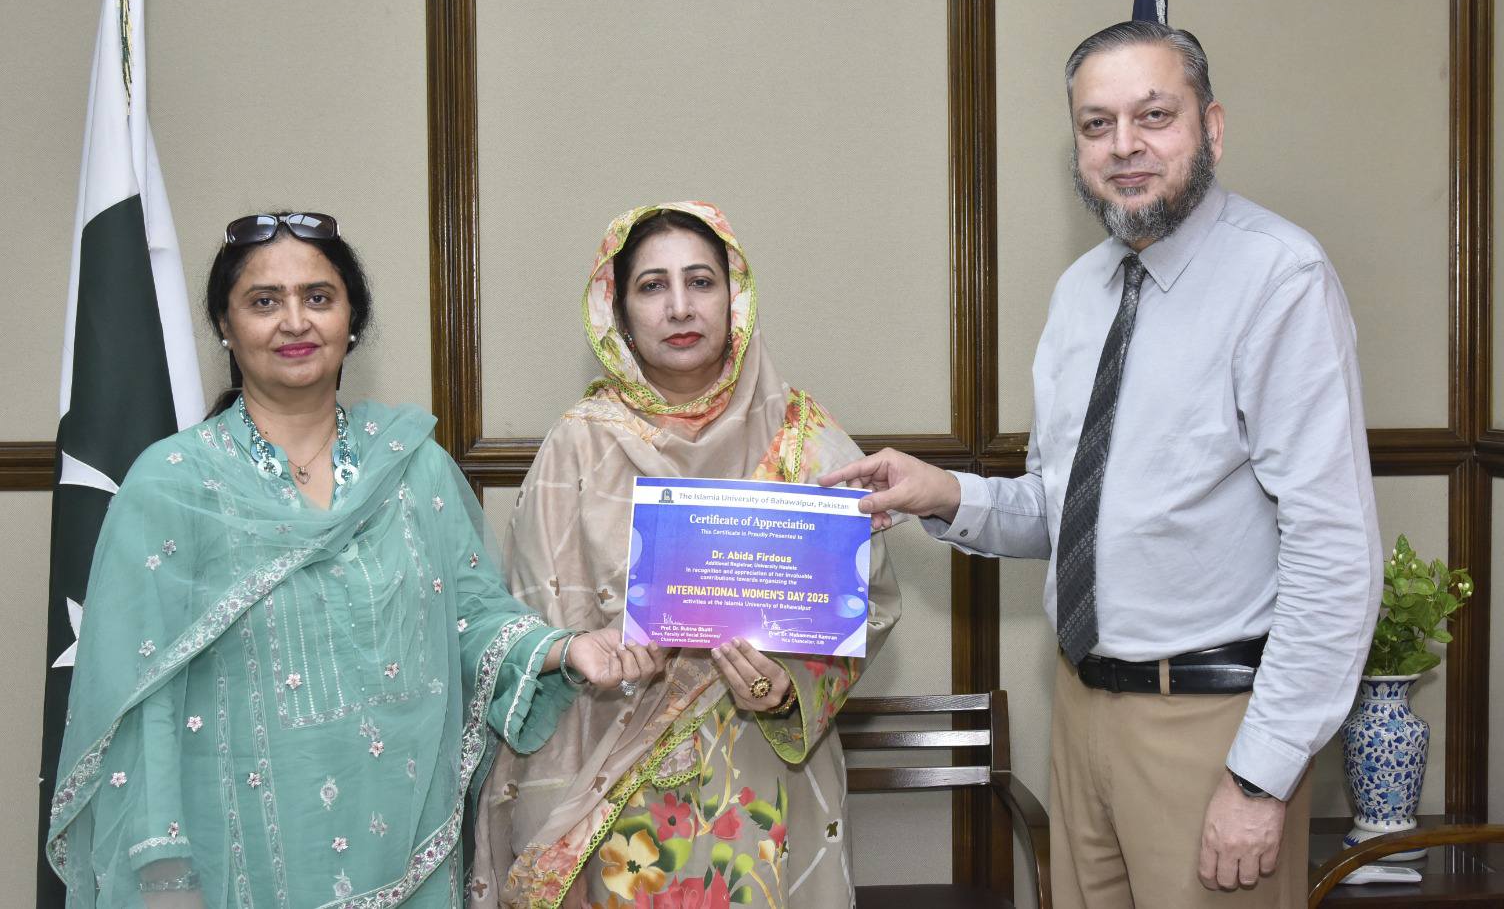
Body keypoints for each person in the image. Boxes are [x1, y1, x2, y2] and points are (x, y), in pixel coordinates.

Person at [821, 21, 1383, 908]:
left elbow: (1334, 552)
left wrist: (1261, 778)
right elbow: (1072, 512)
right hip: (1080, 712)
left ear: (1212, 127)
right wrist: (945, 494)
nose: (1124, 146)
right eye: (1096, 124)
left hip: (1214, 729)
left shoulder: (1281, 280)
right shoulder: (1082, 293)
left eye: (1154, 115)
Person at [46, 211, 658, 907]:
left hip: (403, 847)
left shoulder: (410, 467)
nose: (295, 321)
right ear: (224, 325)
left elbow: (470, 617)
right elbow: (138, 702)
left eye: (318, 297)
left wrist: (567, 649)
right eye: (264, 301)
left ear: (351, 319)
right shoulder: (174, 484)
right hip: (236, 863)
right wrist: (162, 864)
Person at [470, 202, 900, 908]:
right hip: (609, 778)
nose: (679, 307)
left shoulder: (801, 435)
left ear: (735, 298)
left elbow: (870, 601)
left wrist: (788, 686)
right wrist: (584, 651)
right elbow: (526, 619)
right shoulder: (578, 444)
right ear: (618, 309)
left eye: (701, 281)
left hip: (764, 774)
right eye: (652, 286)